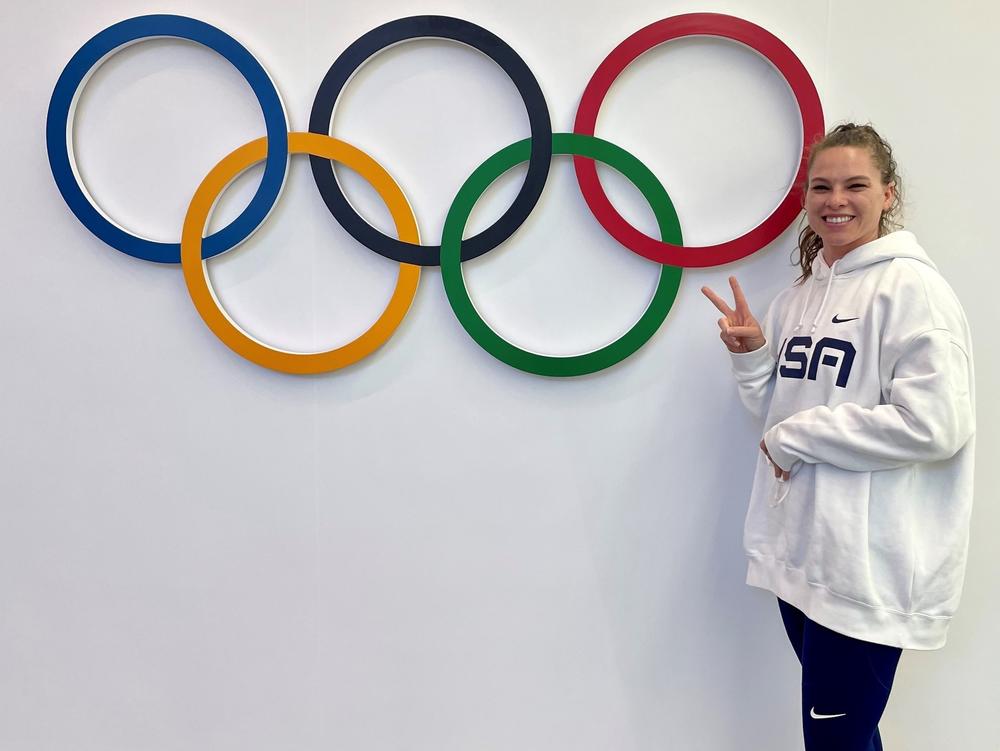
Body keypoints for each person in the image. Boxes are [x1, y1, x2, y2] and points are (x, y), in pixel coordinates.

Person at [701, 123, 976, 751]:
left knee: (836, 742)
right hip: (803, 556)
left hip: (866, 568)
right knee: (843, 739)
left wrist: (801, 434)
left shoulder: (914, 291)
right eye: (821, 186)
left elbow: (937, 425)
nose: (836, 199)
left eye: (855, 184)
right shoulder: (798, 297)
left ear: (888, 193)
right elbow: (773, 417)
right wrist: (753, 357)